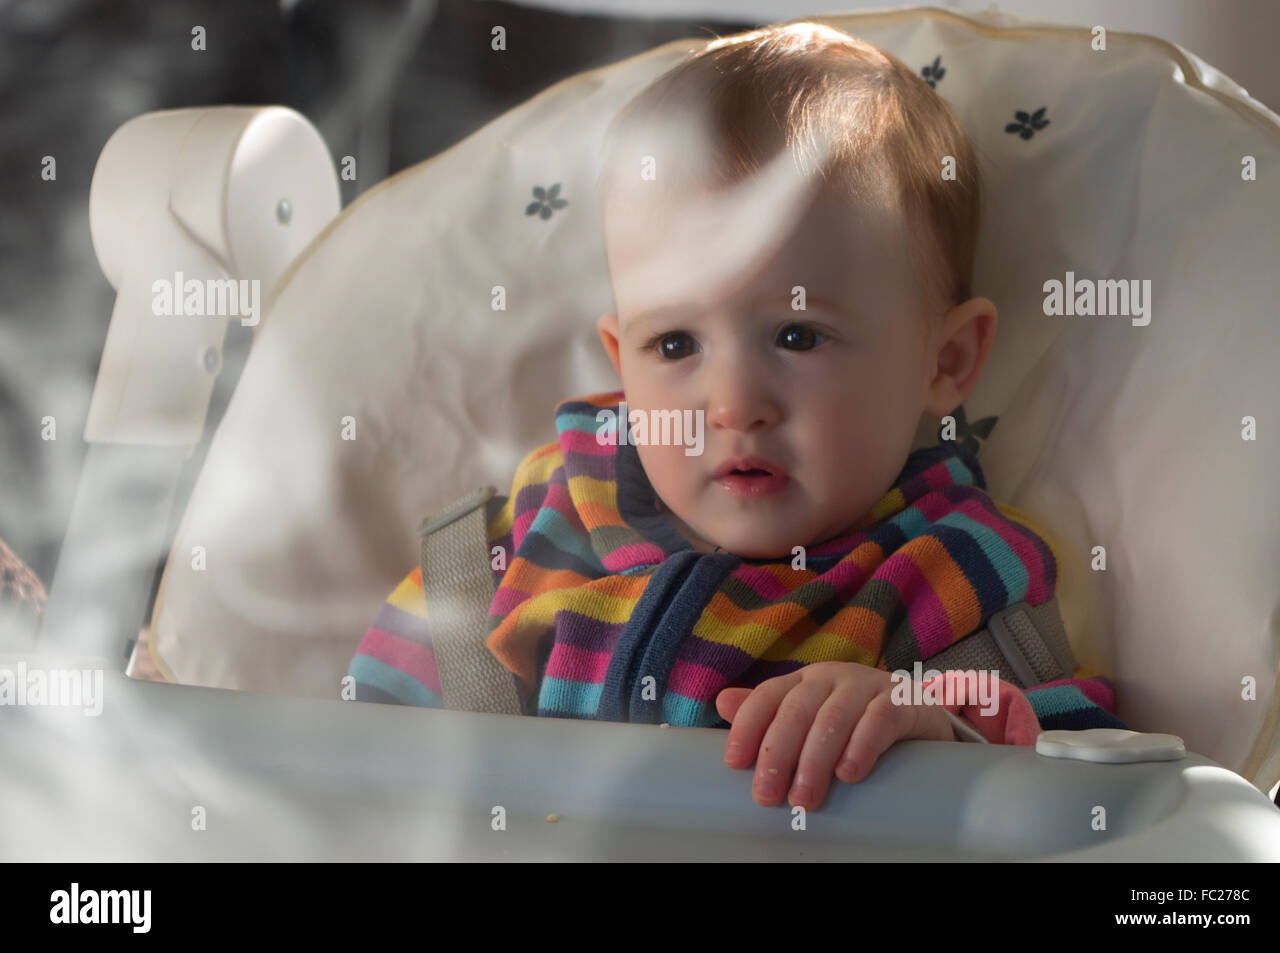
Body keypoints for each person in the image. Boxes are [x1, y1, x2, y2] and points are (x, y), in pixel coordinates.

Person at [347, 21, 1126, 811]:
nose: (731, 406)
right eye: (675, 342)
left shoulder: (954, 569)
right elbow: (345, 758)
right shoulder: (540, 522)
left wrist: (937, 728)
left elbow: (1090, 781)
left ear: (946, 360)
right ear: (622, 361)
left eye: (798, 335)